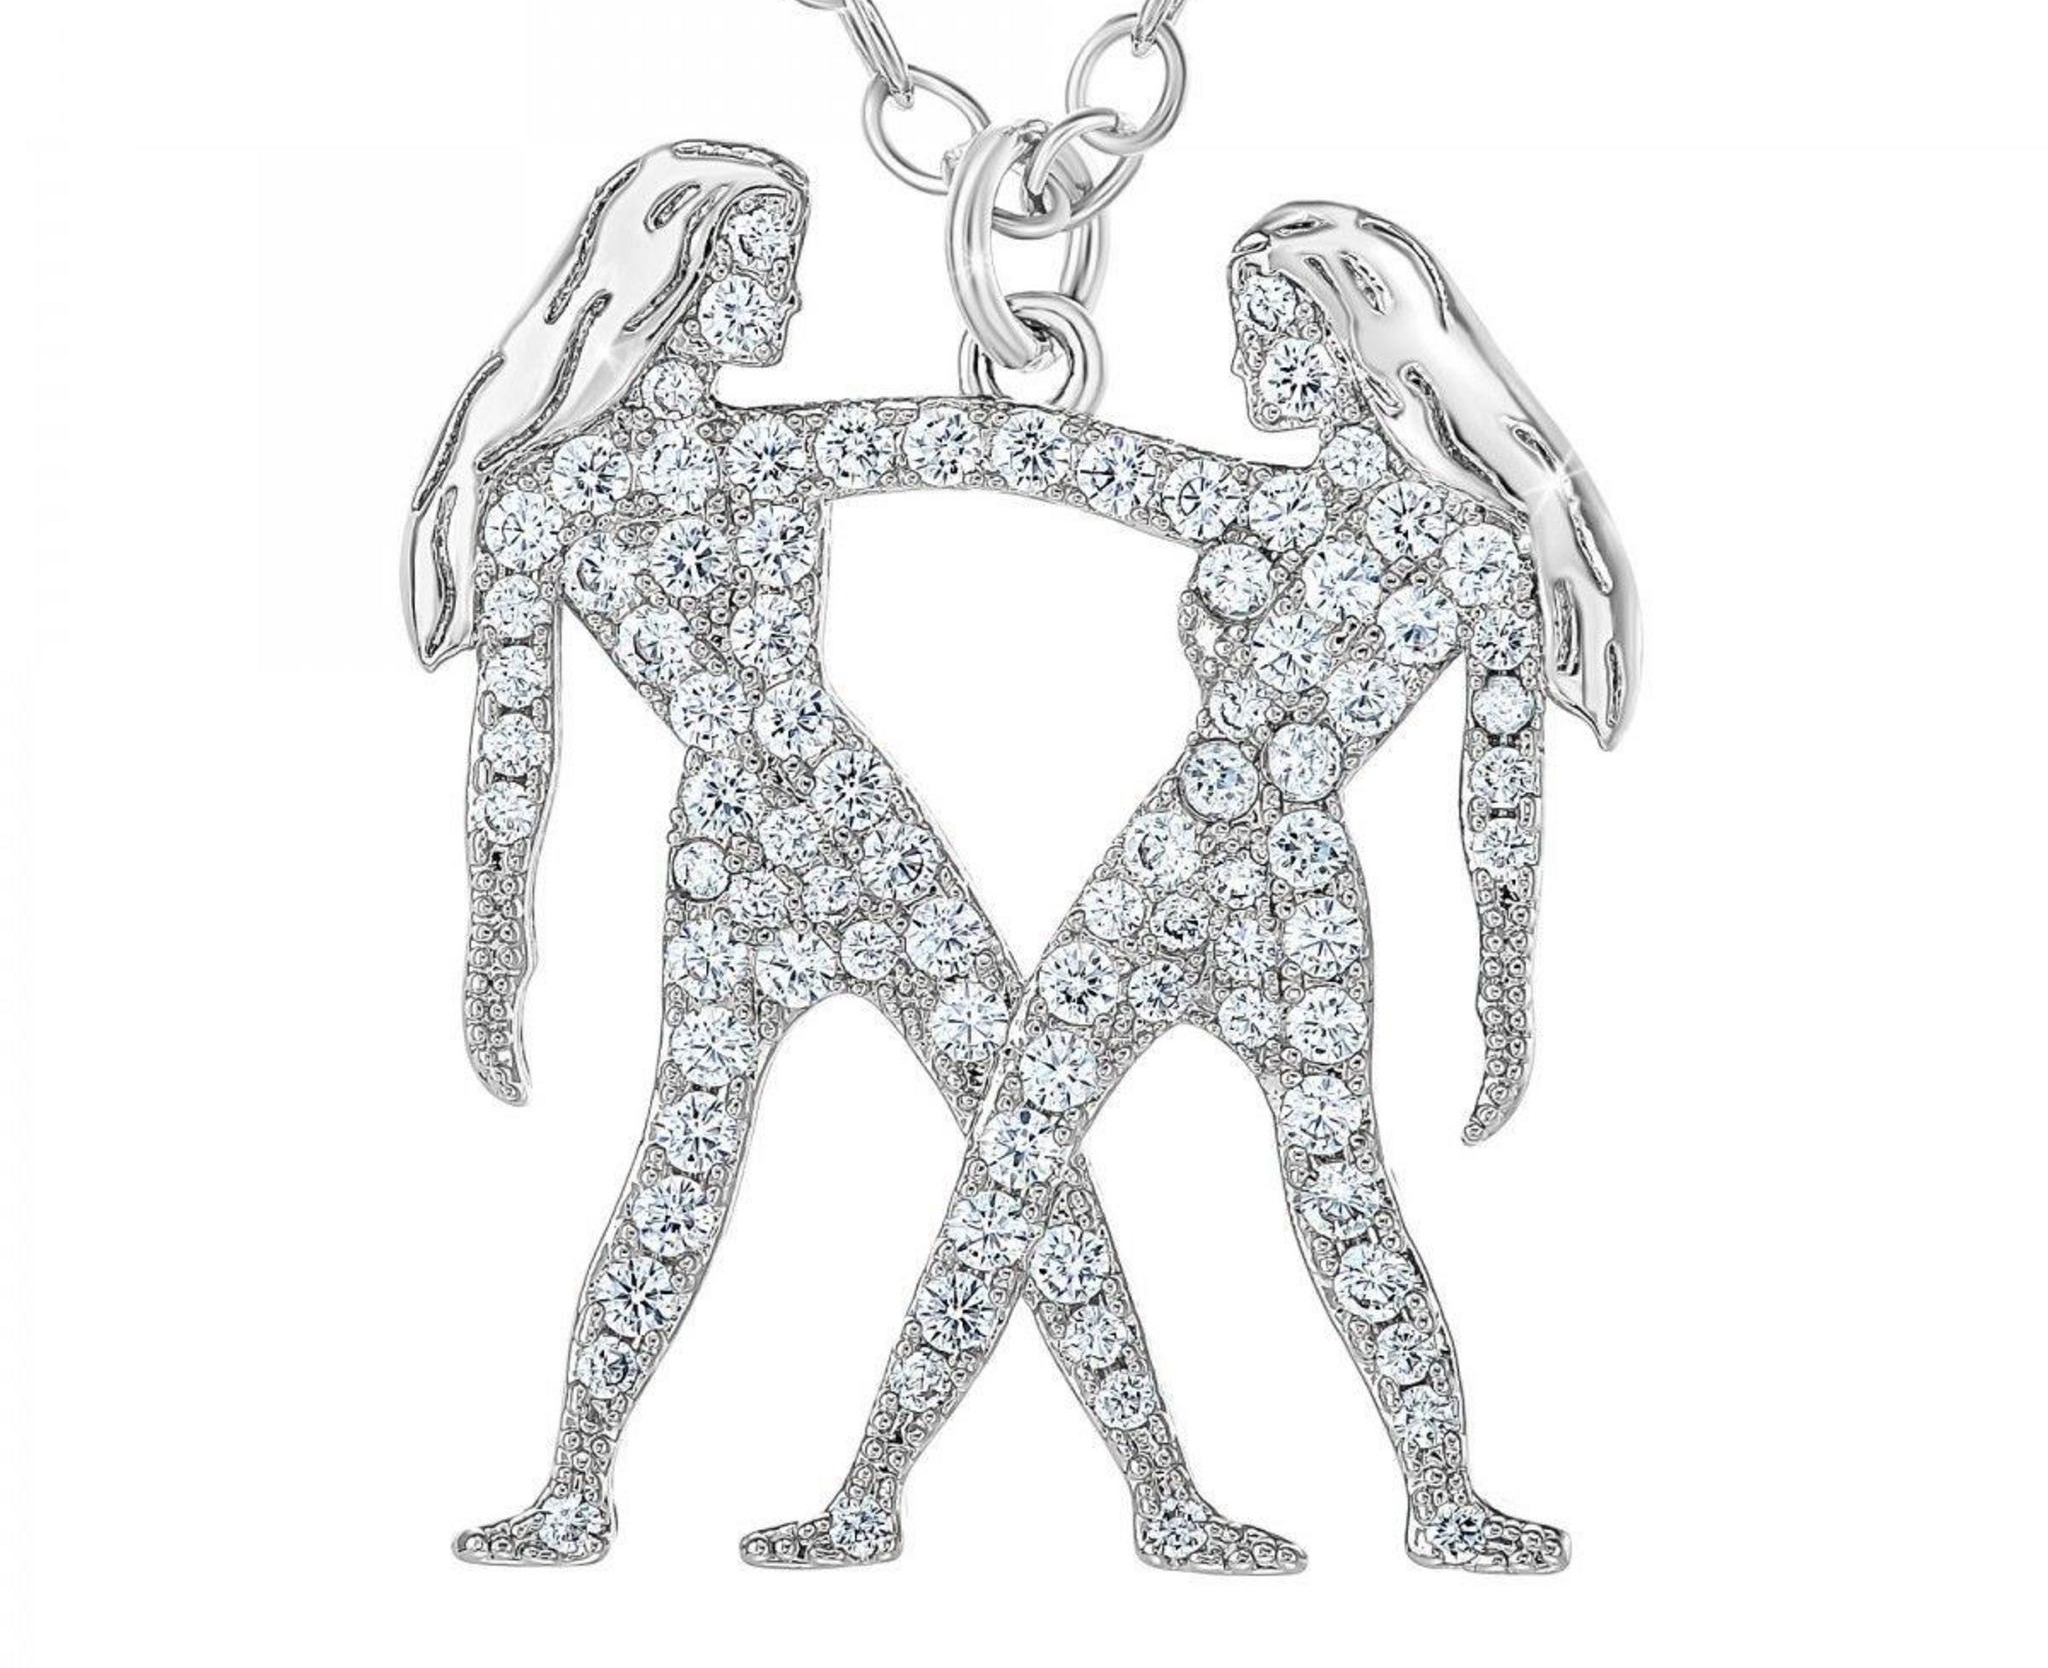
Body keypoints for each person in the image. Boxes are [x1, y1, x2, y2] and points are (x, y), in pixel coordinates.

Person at [405, 140, 1305, 1571]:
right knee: (717, 1168)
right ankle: (577, 1485)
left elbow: (1004, 447)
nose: (793, 300)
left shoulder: (739, 458)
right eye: (768, 269)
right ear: (677, 284)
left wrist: (1269, 503)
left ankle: (1159, 1495)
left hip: (846, 842)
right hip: (765, 858)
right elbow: (512, 744)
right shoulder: (555, 501)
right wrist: (493, 940)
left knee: (1009, 1142)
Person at [742, 201, 1637, 1575]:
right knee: (1058, 1172)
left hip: (1230, 882)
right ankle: (903, 1495)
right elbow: (1040, 456)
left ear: (1344, 350)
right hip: (1210, 880)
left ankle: (1435, 1497)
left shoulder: (1429, 546)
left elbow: (1499, 792)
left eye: (1260, 338)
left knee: (1200, 1184)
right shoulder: (1343, 522)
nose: (1237, 366)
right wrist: (800, 441)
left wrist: (1506, 991)